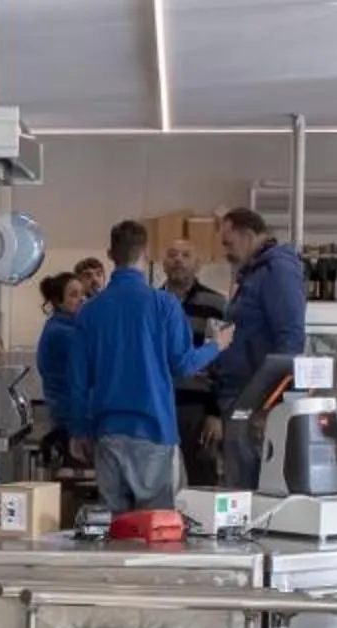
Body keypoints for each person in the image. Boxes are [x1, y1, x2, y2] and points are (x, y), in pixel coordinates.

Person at [70, 220, 222, 515]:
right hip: (154, 430)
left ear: (110, 254)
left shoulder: (90, 311)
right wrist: (218, 345)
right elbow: (184, 364)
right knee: (156, 527)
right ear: (146, 254)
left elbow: (77, 380)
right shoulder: (163, 305)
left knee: (114, 525)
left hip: (107, 432)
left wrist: (78, 430)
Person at [205, 205, 308, 488]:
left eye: (229, 243)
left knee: (248, 492)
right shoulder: (251, 274)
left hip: (256, 403)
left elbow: (290, 339)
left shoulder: (277, 271)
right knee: (237, 489)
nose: (226, 251)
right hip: (240, 398)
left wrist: (270, 405)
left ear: (249, 235)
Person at [159, 235, 227, 483]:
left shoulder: (217, 305)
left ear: (198, 264)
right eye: (172, 255)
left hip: (198, 411)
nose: (178, 261)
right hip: (158, 407)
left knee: (201, 481)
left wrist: (215, 413)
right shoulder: (152, 305)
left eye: (186, 255)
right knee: (158, 482)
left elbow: (223, 361)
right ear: (163, 263)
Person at [32, 272, 88, 467]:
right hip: (71, 420)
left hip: (69, 416)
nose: (81, 299)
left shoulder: (67, 327)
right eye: (73, 294)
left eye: (82, 294)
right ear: (58, 301)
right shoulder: (62, 333)